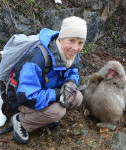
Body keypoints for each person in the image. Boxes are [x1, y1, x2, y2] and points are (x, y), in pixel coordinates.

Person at [10, 16, 87, 144]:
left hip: (46, 90)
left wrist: (71, 82)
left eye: (80, 43)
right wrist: (57, 94)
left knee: (77, 97)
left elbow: (73, 70)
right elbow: (27, 96)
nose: (75, 48)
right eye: (71, 40)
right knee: (58, 111)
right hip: (23, 99)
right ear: (61, 38)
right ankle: (21, 120)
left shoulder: (69, 54)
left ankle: (44, 116)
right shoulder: (38, 58)